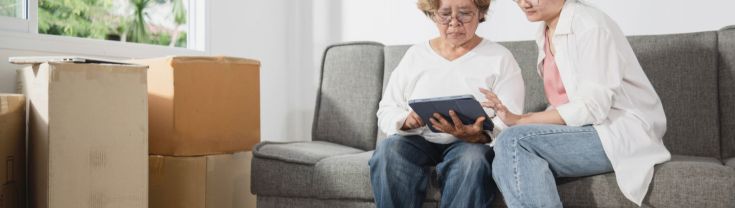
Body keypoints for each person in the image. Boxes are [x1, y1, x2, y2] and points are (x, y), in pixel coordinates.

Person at [485, 0, 671, 207]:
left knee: (514, 141)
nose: (524, 2)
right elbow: (565, 102)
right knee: (500, 150)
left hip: (618, 130)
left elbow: (593, 107)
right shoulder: (545, 30)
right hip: (584, 129)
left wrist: (523, 119)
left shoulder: (590, 26)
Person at [368, 0, 526, 207]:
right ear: (433, 15)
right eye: (444, 14)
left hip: (471, 144)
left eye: (464, 13)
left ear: (480, 13)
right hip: (419, 139)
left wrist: (478, 135)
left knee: (472, 161)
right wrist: (405, 120)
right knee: (389, 151)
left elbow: (511, 119)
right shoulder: (416, 55)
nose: (454, 23)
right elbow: (387, 109)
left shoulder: (500, 57)